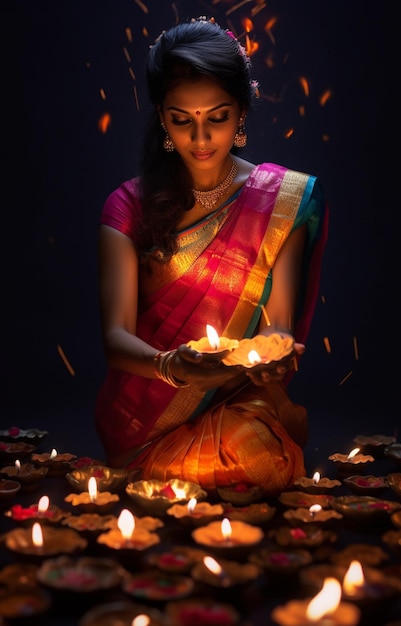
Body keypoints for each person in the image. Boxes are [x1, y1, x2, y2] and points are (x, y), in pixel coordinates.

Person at [94, 16, 328, 497]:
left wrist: (274, 356)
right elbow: (115, 339)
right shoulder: (126, 206)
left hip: (237, 401)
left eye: (216, 118)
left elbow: (277, 324)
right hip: (143, 417)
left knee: (260, 455)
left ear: (241, 112)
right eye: (182, 121)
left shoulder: (281, 200)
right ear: (162, 118)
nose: (200, 140)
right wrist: (173, 367)